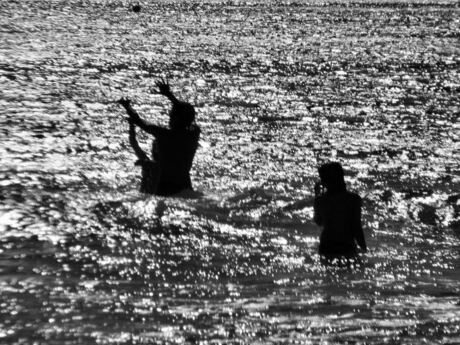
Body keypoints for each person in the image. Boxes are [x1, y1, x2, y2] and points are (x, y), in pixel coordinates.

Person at [118, 79, 200, 196]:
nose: (169, 117)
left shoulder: (163, 134)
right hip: (185, 188)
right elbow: (187, 115)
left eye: (172, 115)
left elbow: (140, 122)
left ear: (177, 118)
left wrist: (127, 107)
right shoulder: (193, 134)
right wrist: (170, 96)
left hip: (164, 188)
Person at [313, 162, 367, 262]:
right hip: (346, 245)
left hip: (326, 246)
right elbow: (356, 227)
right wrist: (364, 249)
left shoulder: (320, 200)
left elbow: (319, 222)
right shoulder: (353, 199)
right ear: (341, 177)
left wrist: (317, 195)